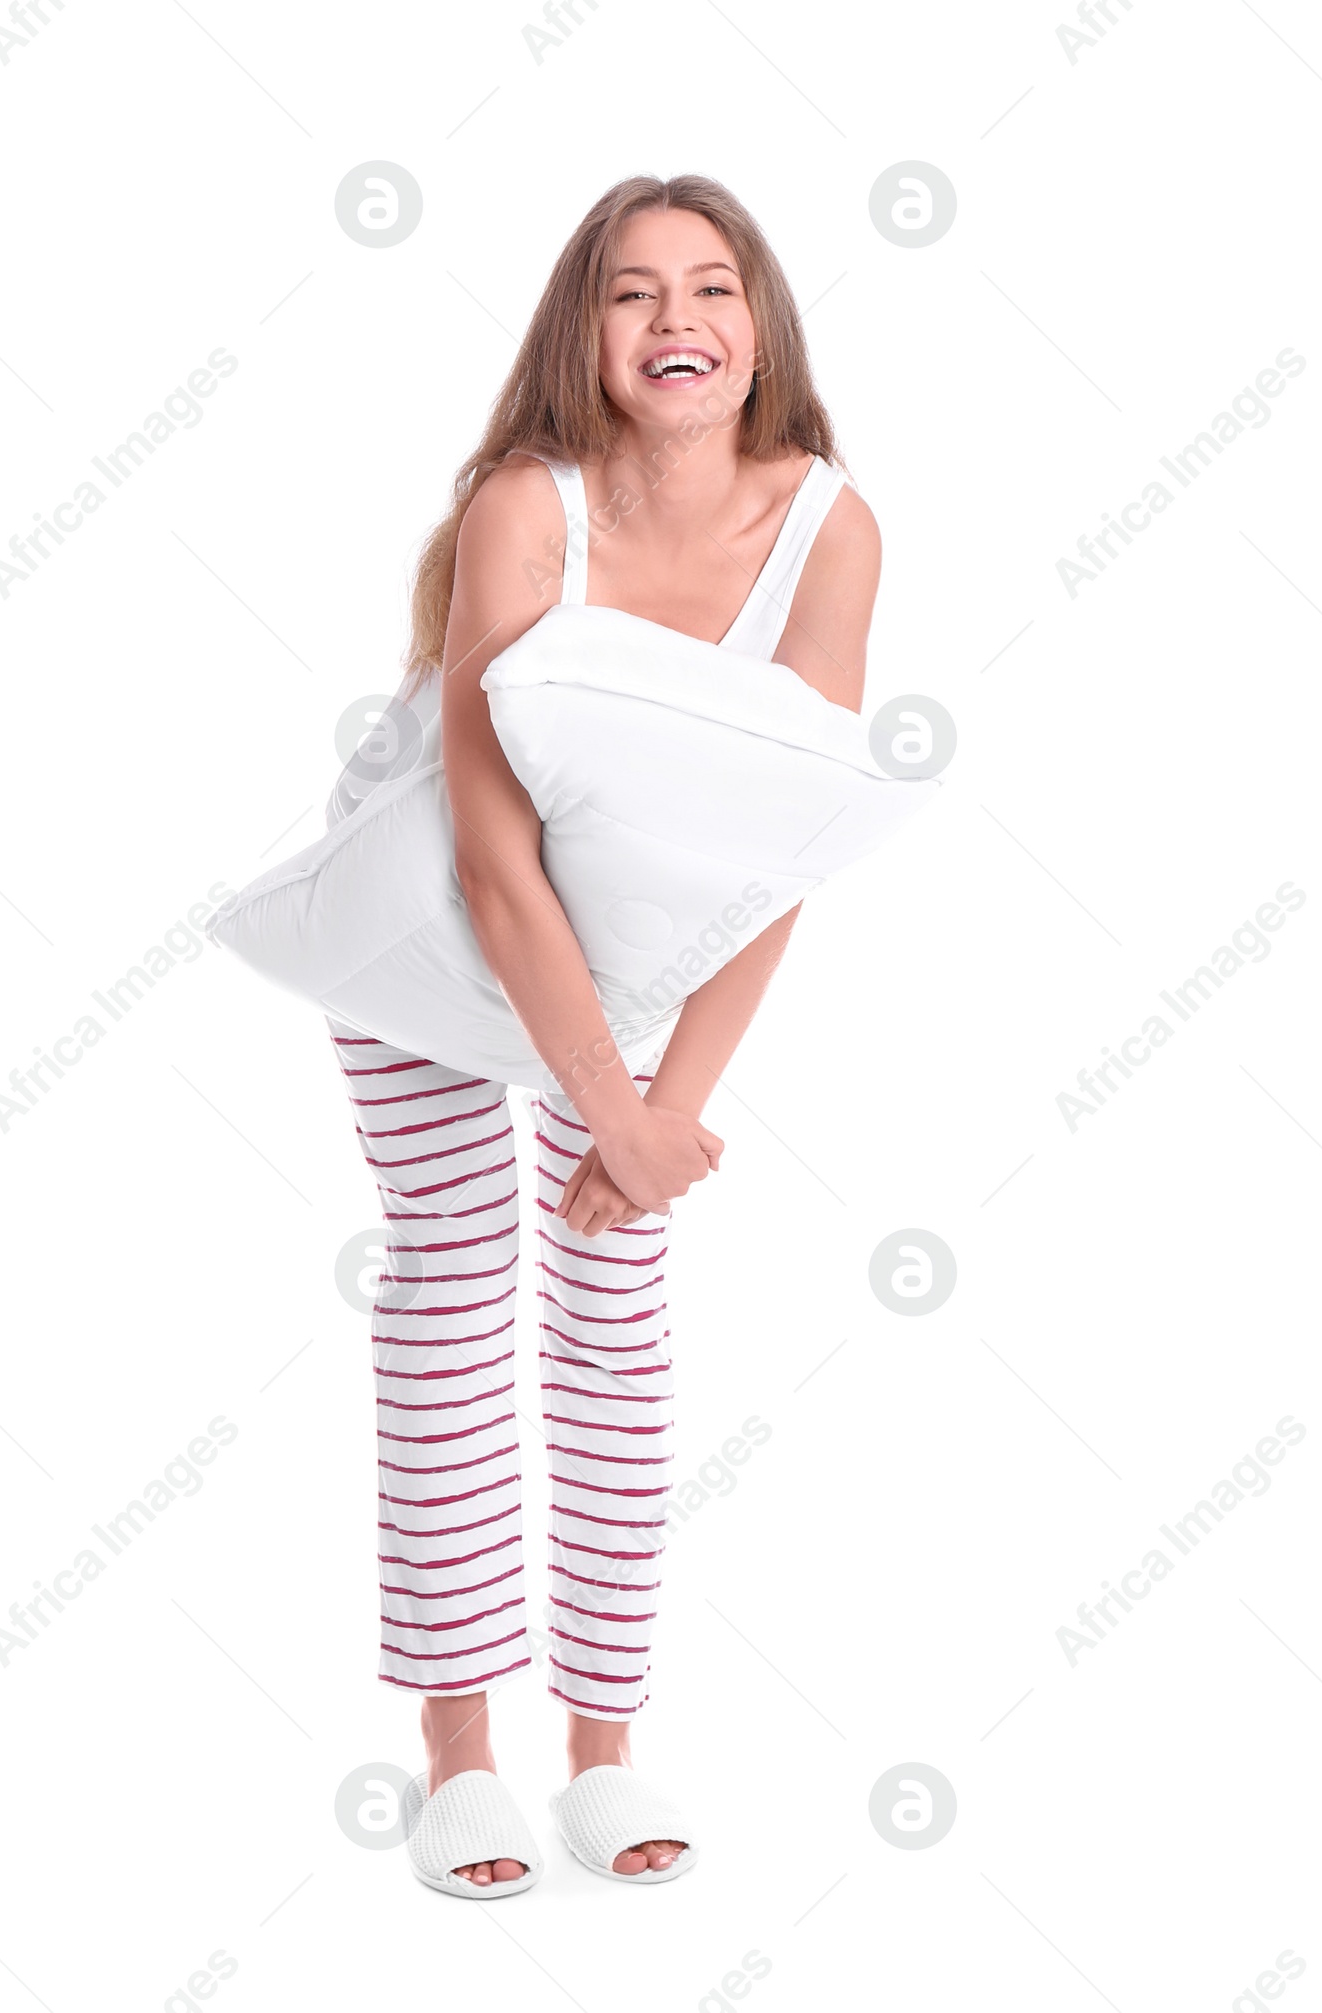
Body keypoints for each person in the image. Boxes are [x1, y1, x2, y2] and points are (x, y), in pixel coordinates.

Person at [326, 171, 880, 1893]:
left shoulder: (827, 524)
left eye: (712, 288)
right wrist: (602, 1100)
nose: (678, 322)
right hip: (429, 917)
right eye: (633, 294)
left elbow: (790, 831)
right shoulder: (524, 503)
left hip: (636, 929)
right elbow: (491, 853)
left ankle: (604, 1747)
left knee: (615, 1298)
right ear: (587, 331)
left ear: (762, 324)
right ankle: (458, 1751)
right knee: (454, 1271)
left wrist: (669, 1116)